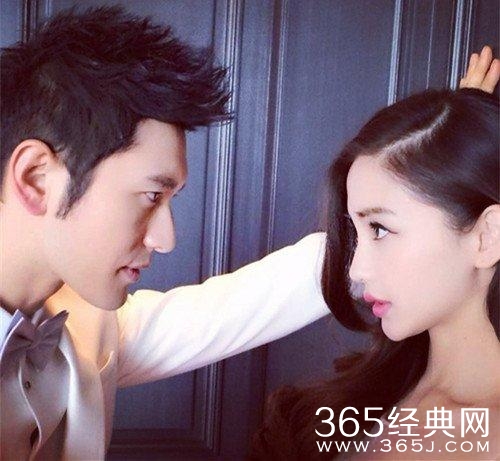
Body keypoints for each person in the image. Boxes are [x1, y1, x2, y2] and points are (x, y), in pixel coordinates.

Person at [0, 5, 497, 460]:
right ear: (36, 179)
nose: (166, 239)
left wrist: (443, 161)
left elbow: (247, 303)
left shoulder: (90, 329)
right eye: (151, 196)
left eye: (380, 229)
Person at [250, 79, 499, 459]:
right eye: (356, 231)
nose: (356, 270)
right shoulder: (351, 404)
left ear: (487, 237)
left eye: (380, 229)